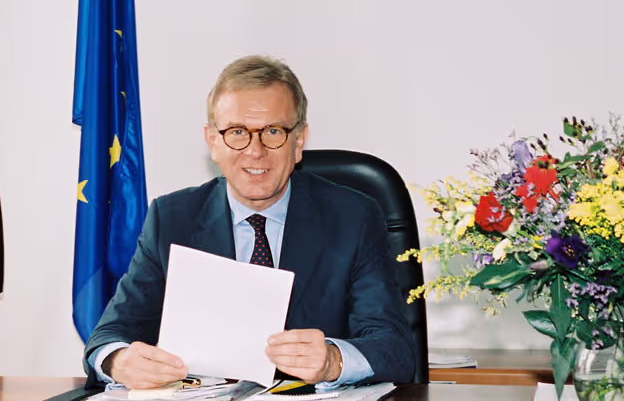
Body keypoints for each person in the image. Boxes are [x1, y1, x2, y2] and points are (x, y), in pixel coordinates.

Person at [83, 56, 414, 389]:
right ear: (212, 141)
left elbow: (395, 349)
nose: (255, 151)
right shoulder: (171, 219)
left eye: (273, 131)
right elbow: (108, 337)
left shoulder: (353, 218)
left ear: (299, 141)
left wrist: (333, 360)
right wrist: (119, 361)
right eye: (237, 132)